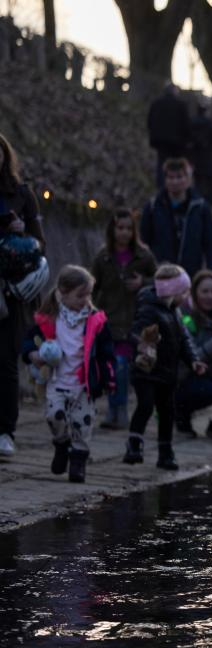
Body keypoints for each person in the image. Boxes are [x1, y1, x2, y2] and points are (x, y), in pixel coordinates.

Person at [22, 266, 114, 483]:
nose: (85, 300)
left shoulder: (95, 321)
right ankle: (62, 444)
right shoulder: (49, 319)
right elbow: (29, 341)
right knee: (54, 416)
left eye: (88, 294)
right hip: (57, 381)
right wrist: (32, 354)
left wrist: (107, 379)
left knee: (82, 424)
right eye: (80, 295)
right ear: (63, 292)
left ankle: (78, 462)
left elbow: (106, 353)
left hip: (83, 385)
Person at [124, 264, 206, 470]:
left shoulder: (175, 312)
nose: (187, 296)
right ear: (173, 292)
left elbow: (184, 339)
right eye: (184, 291)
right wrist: (142, 344)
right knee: (145, 405)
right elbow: (134, 332)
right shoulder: (148, 309)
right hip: (146, 370)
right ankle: (134, 443)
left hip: (167, 373)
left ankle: (166, 452)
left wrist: (193, 359)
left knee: (167, 411)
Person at [0, 132, 46, 457]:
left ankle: (5, 430)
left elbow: (41, 243)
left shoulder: (21, 194)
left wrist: (22, 233)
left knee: (6, 361)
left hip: (10, 292)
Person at [91, 207, 157, 429]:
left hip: (134, 322)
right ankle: (114, 410)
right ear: (113, 229)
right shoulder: (103, 257)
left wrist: (142, 283)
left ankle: (120, 410)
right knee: (111, 367)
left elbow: (160, 281)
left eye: (129, 228)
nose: (124, 232)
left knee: (121, 366)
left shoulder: (144, 256)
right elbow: (92, 285)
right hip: (109, 321)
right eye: (120, 228)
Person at [175, 270, 212, 437]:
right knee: (208, 390)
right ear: (195, 293)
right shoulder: (184, 318)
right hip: (181, 380)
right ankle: (180, 415)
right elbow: (192, 357)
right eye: (205, 291)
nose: (210, 296)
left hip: (205, 375)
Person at [140, 157, 212, 276]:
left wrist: (211, 274)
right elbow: (144, 243)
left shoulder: (201, 208)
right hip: (160, 275)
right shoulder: (153, 207)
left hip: (190, 275)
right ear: (165, 180)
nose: (175, 182)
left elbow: (210, 246)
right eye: (171, 177)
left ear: (188, 179)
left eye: (179, 177)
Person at [147, 83, 191, 188]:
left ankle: (162, 186)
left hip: (160, 141)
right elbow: (186, 124)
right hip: (177, 142)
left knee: (162, 164)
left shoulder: (156, 103)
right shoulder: (181, 105)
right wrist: (187, 140)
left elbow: (149, 122)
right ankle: (175, 185)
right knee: (176, 165)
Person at [188, 104, 212, 206]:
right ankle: (210, 201)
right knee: (209, 182)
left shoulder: (192, 124)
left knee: (197, 180)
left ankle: (196, 199)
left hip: (196, 157)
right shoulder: (211, 125)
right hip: (209, 157)